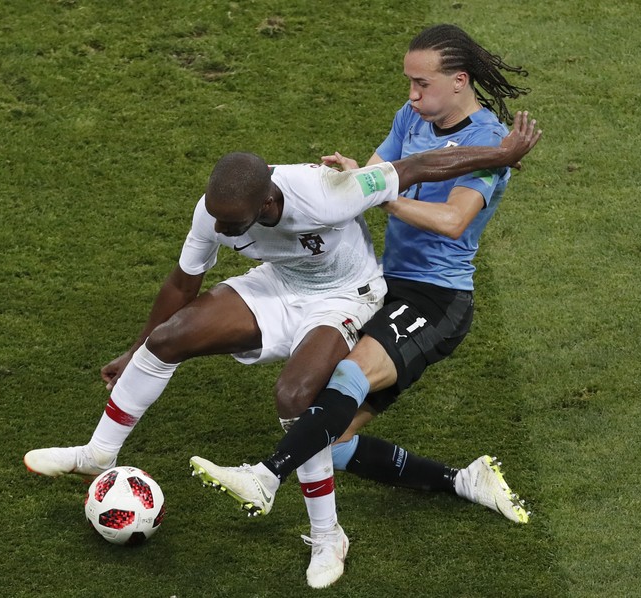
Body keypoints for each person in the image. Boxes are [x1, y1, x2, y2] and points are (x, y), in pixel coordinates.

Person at [24, 119, 539, 587]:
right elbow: (183, 284)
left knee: (295, 396)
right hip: (279, 286)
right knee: (167, 339)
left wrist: (500, 153)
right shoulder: (215, 210)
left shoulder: (326, 192)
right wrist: (136, 347)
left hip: (346, 296)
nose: (222, 233)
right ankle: (98, 455)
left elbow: (416, 166)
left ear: (269, 205)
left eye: (234, 227)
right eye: (219, 223)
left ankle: (327, 536)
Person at [190, 23, 539, 585]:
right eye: (408, 83)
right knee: (334, 437)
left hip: (437, 298)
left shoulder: (491, 145)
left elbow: (452, 221)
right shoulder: (413, 119)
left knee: (344, 380)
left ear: (459, 81)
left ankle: (266, 475)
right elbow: (375, 171)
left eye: (421, 84)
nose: (411, 95)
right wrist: (352, 180)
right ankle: (465, 481)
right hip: (381, 286)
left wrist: (386, 198)